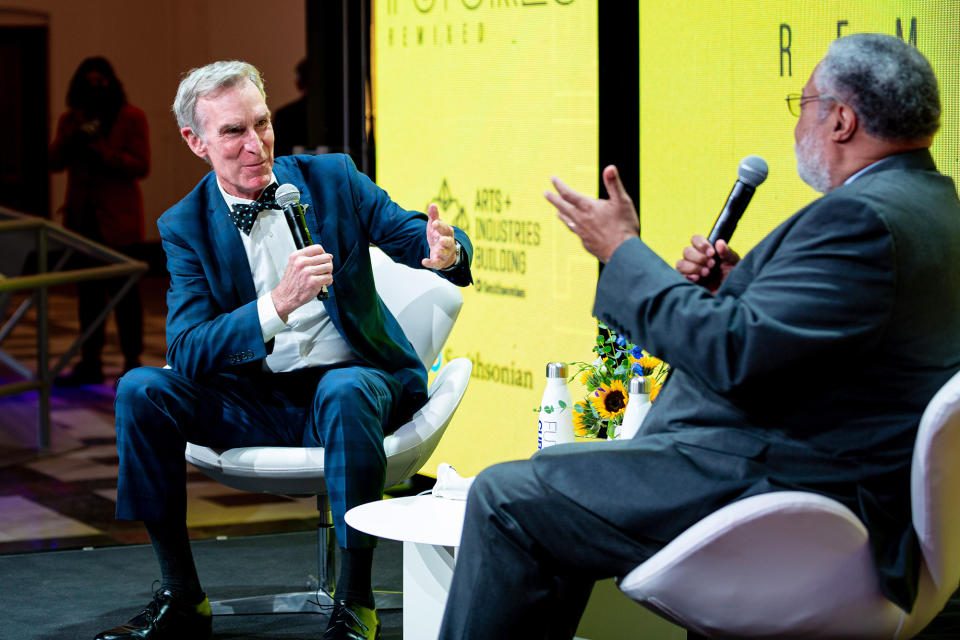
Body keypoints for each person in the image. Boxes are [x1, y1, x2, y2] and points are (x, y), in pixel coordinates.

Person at [438, 33, 960, 639]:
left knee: (510, 499)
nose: (798, 128)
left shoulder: (860, 218)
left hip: (793, 482)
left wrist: (622, 251)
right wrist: (737, 288)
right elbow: (836, 339)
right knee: (560, 469)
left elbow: (736, 355)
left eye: (805, 104)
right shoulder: (934, 205)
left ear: (841, 119)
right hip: (834, 468)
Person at [95, 61, 472, 640]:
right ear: (195, 142)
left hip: (354, 383)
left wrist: (447, 251)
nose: (255, 145)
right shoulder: (185, 225)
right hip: (256, 400)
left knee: (342, 389)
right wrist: (277, 304)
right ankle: (181, 597)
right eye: (233, 132)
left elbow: (413, 235)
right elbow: (188, 349)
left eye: (262, 124)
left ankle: (355, 602)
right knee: (141, 391)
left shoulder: (332, 179)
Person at [50, 57, 149, 385]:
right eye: (87, 81)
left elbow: (141, 165)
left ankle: (132, 360)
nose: (95, 88)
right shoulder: (70, 119)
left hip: (119, 221)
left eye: (101, 81)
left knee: (126, 296)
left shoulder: (131, 117)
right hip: (82, 222)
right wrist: (71, 139)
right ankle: (89, 361)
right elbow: (53, 162)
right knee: (88, 297)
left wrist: (102, 152)